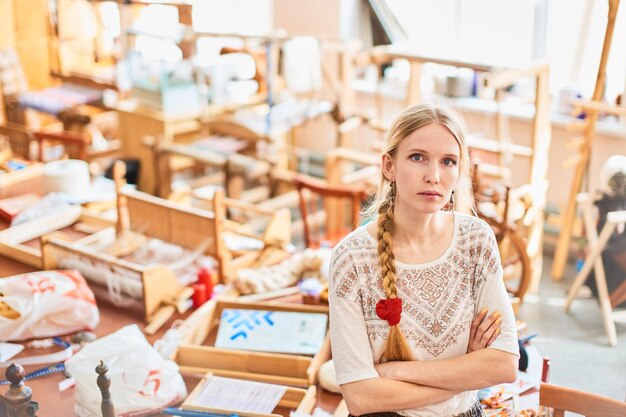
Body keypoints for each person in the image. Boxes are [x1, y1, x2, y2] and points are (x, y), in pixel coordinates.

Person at [329, 103, 519, 417]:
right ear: (389, 166)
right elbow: (362, 397)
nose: (433, 176)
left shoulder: (476, 241)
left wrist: (394, 372)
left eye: (448, 162)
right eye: (418, 157)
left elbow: (504, 363)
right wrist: (465, 370)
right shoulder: (351, 258)